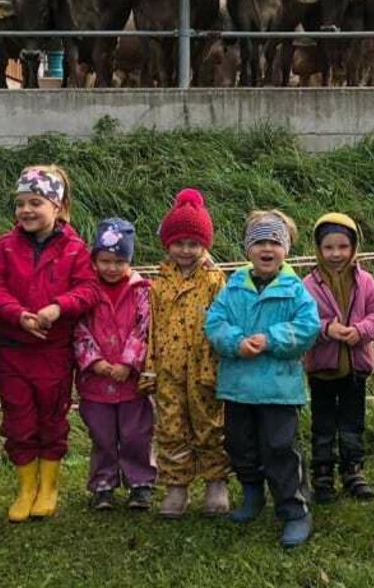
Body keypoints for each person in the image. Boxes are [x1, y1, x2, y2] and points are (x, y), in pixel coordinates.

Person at [0, 164, 96, 521]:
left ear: (57, 207)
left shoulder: (75, 249)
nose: (26, 210)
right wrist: (17, 314)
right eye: (20, 203)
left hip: (54, 352)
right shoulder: (5, 247)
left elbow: (88, 289)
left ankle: (48, 486)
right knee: (19, 420)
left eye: (36, 202)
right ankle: (26, 487)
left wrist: (58, 308)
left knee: (51, 418)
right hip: (14, 350)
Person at [205, 210, 321, 548]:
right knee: (240, 445)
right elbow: (214, 323)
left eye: (274, 242)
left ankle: (295, 510)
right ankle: (252, 495)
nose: (266, 249)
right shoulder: (234, 286)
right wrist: (235, 342)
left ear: (285, 249)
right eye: (259, 242)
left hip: (279, 389)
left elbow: (307, 328)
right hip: (238, 387)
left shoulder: (295, 289)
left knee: (280, 448)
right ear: (248, 249)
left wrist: (270, 338)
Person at [148, 188, 230, 518]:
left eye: (193, 244)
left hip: (204, 367)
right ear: (168, 244)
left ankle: (216, 484)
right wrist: (149, 366)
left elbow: (224, 320)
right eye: (179, 243)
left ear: (205, 245)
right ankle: (176, 487)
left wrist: (221, 360)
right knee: (170, 426)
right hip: (168, 369)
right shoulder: (157, 283)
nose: (185, 250)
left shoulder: (215, 279)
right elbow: (150, 327)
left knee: (210, 425)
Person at [73, 218, 157, 510]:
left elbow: (144, 328)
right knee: (102, 435)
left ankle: (141, 482)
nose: (111, 267)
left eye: (119, 261)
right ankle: (103, 484)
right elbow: (78, 327)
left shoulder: (142, 289)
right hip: (96, 380)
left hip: (131, 381)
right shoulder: (85, 291)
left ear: (129, 260)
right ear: (94, 259)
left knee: (137, 434)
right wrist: (93, 361)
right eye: (104, 260)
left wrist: (128, 362)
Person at [302, 212, 374, 503]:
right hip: (322, 368)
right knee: (322, 424)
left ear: (353, 248)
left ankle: (353, 471)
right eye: (329, 247)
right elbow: (302, 321)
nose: (336, 254)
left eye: (343, 247)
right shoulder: (308, 285)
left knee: (352, 422)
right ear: (318, 249)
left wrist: (360, 331)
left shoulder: (366, 281)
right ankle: (322, 475)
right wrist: (326, 329)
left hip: (355, 368)